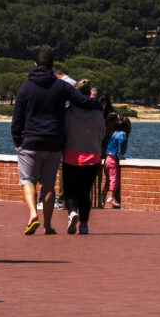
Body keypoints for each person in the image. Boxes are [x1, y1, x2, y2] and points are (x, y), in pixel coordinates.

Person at [12, 50, 99, 235]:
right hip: (54, 143)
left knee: (28, 181)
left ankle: (34, 213)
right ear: (52, 67)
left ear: (35, 66)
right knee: (49, 186)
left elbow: (17, 119)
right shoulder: (61, 87)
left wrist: (17, 141)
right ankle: (48, 226)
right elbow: (82, 101)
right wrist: (98, 104)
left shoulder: (25, 88)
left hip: (31, 142)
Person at [63, 79, 105, 234]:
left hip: (71, 156)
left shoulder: (68, 111)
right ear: (89, 94)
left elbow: (63, 131)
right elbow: (102, 132)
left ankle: (72, 212)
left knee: (71, 190)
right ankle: (84, 225)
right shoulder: (97, 112)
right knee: (85, 191)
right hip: (93, 157)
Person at [104, 116, 129, 208]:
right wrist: (120, 154)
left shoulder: (114, 133)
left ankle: (102, 199)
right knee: (114, 179)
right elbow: (122, 144)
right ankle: (111, 197)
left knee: (107, 179)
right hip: (113, 159)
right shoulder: (122, 134)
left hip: (107, 158)